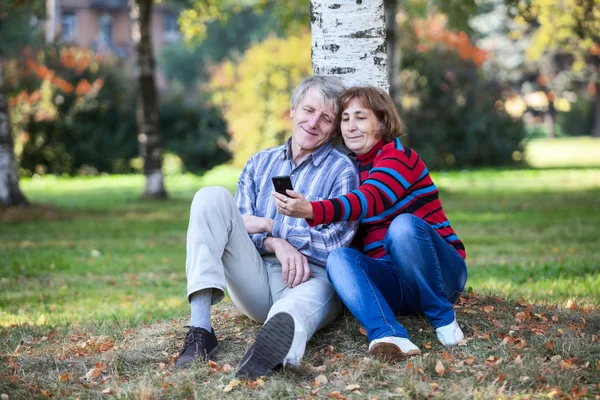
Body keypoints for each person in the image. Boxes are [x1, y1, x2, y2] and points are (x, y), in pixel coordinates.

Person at [175, 76, 360, 378]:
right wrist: (276, 242)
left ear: (334, 127)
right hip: (256, 274)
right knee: (209, 198)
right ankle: (200, 330)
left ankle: (273, 352)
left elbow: (334, 245)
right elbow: (237, 223)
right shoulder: (260, 162)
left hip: (311, 276)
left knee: (293, 311)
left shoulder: (342, 171)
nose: (314, 123)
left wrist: (273, 227)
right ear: (293, 110)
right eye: (308, 110)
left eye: (326, 118)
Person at [273, 86, 467, 361]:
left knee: (402, 228)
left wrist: (311, 210)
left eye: (360, 117)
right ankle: (388, 334)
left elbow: (371, 199)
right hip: (398, 287)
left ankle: (443, 318)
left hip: (442, 275)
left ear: (382, 122)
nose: (351, 126)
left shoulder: (399, 156)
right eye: (345, 118)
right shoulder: (350, 170)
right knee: (339, 258)